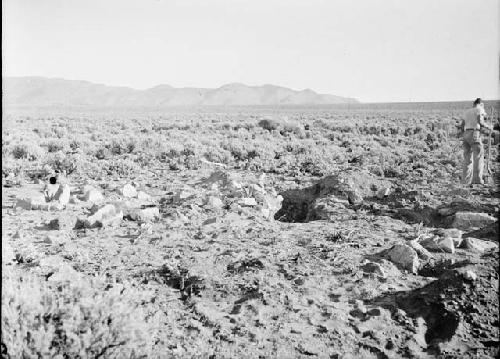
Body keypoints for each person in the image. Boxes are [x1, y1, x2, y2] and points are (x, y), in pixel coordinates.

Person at [461, 98, 492, 185]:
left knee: (467, 159)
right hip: (474, 133)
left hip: (466, 133)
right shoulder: (479, 109)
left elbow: (462, 126)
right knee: (478, 156)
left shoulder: (467, 111)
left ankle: (465, 181)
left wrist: (464, 135)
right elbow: (480, 122)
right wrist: (489, 127)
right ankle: (477, 180)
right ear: (480, 104)